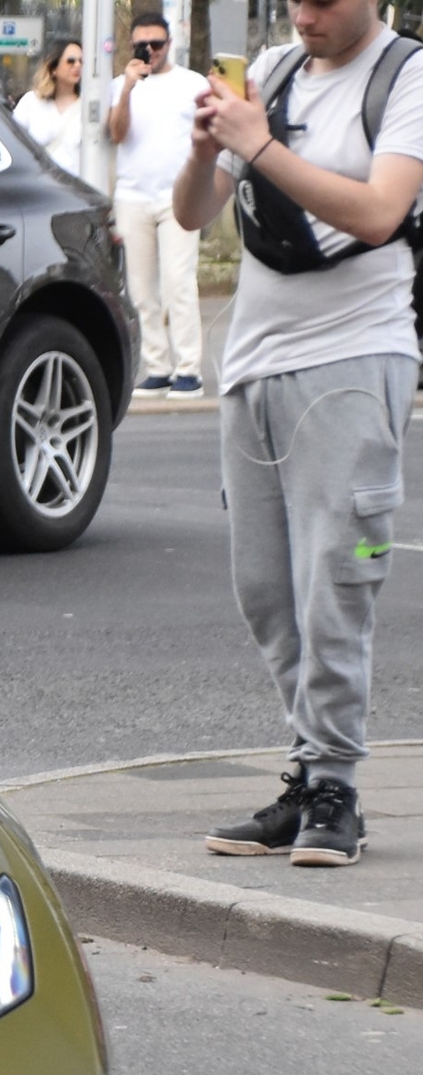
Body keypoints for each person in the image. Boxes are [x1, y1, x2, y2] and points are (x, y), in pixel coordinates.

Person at [173, 0, 423, 867]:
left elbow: (381, 212)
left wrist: (261, 144)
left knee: (337, 583)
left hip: (356, 359)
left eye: (324, 0)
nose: (305, 13)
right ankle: (309, 770)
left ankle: (337, 792)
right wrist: (210, 146)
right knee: (266, 591)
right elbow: (191, 215)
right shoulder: (271, 74)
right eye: (295, 0)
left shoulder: (407, 74)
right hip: (250, 363)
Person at [111, 11, 213, 396]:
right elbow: (117, 133)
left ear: (170, 44)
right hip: (133, 195)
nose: (150, 50)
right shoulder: (121, 84)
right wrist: (127, 90)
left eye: (157, 43)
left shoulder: (192, 83)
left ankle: (188, 367)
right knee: (139, 290)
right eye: (143, 44)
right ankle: (157, 366)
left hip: (178, 196)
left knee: (178, 282)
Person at [12, 39, 88, 183]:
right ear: (54, 68)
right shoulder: (31, 102)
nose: (77, 65)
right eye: (70, 61)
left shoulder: (87, 106)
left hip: (74, 189)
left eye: (81, 61)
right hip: (38, 187)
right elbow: (13, 141)